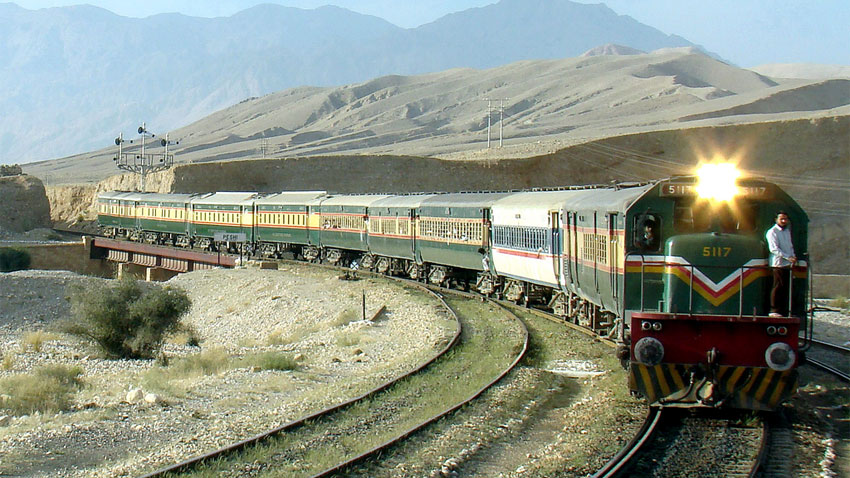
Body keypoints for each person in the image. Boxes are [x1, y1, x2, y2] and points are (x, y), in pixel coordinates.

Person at [766, 211, 797, 317]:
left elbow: (790, 246)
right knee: (778, 286)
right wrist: (788, 257)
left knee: (785, 287)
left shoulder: (787, 232)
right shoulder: (772, 232)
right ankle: (774, 310)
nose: (784, 221)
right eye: (781, 219)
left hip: (788, 263)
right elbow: (773, 249)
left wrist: (792, 257)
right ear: (776, 220)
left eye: (785, 219)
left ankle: (784, 310)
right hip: (778, 263)